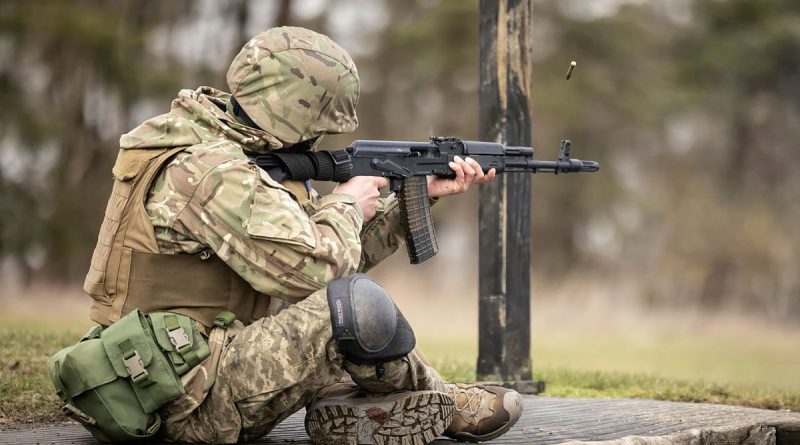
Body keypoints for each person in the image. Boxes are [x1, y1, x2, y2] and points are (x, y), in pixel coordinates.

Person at [83, 26, 522, 444]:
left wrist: (420, 194)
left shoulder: (222, 150)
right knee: (353, 308)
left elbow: (335, 252)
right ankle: (444, 404)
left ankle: (355, 405)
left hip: (165, 369)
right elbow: (319, 272)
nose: (318, 140)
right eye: (317, 126)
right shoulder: (212, 172)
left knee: (350, 308)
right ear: (294, 112)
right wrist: (347, 202)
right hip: (182, 398)